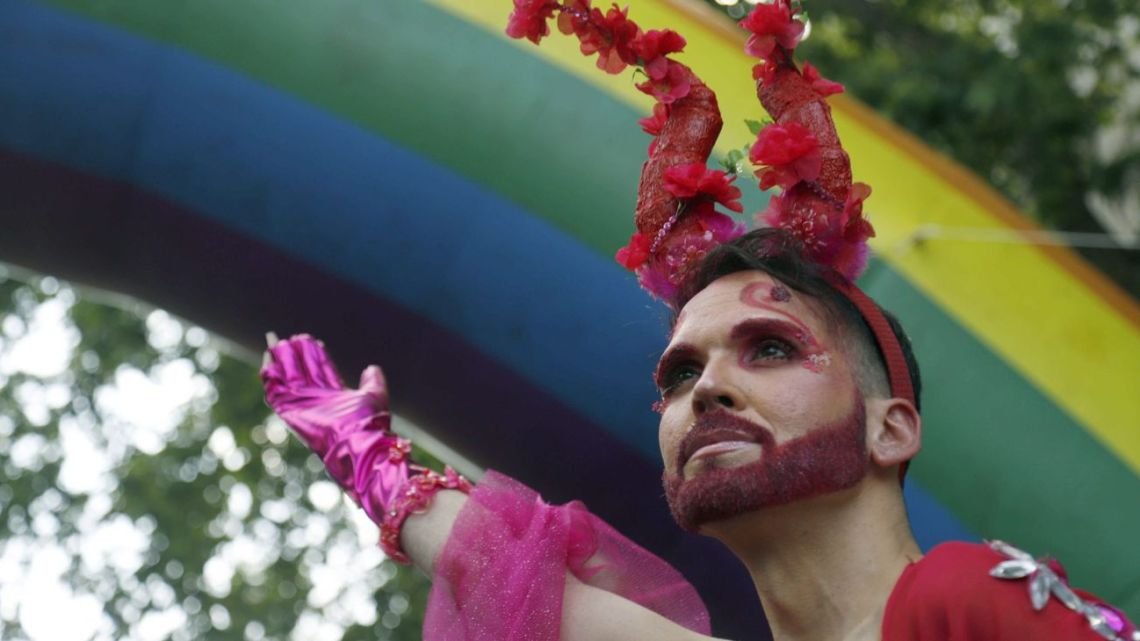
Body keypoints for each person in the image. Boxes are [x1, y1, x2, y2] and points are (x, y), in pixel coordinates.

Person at [260, 2, 1137, 639]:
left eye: (769, 347)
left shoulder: (958, 599)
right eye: (680, 374)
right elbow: (514, 573)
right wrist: (363, 455)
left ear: (891, 428)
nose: (708, 384)